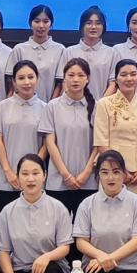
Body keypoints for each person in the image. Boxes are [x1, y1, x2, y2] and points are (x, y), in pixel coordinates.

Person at [73, 150, 137, 273]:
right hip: (96, 263)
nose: (110, 177)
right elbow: (81, 242)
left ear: (124, 174)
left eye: (116, 172)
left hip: (131, 265)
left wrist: (109, 258)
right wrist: (101, 257)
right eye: (105, 172)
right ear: (98, 175)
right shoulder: (87, 204)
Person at [0, 153, 73, 273]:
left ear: (44, 175)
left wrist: (46, 257)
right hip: (20, 269)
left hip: (51, 267)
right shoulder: (8, 211)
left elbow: (64, 247)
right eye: (25, 174)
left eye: (35, 173)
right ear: (18, 177)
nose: (30, 179)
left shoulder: (58, 208)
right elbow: (3, 252)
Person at [42, 58, 99, 214]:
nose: (75, 79)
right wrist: (65, 175)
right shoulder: (52, 106)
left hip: (88, 181)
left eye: (81, 75)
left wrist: (86, 174)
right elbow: (50, 143)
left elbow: (98, 144)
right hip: (58, 181)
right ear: (64, 78)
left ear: (88, 79)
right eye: (71, 75)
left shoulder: (96, 107)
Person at [93, 59, 137, 200]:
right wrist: (120, 171)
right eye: (123, 75)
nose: (129, 79)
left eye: (133, 74)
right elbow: (101, 141)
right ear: (116, 79)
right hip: (112, 172)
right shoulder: (104, 104)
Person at [0, 61, 48, 209]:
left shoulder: (46, 108)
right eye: (21, 78)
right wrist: (8, 171)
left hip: (33, 179)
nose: (27, 82)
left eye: (31, 77)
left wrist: (32, 171)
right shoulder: (2, 106)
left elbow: (46, 144)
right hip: (5, 178)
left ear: (37, 78)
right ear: (14, 82)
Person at [11, 5, 66, 103]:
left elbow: (60, 83)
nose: (41, 26)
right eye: (36, 21)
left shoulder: (60, 49)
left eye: (45, 21)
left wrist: (50, 106)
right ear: (30, 23)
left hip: (50, 106)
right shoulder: (19, 49)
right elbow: (13, 82)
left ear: (51, 24)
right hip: (22, 105)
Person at [64, 6, 115, 101]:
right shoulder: (69, 52)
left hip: (101, 106)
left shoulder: (112, 53)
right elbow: (64, 82)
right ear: (82, 26)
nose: (93, 27)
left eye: (98, 23)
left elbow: (113, 83)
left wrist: (100, 105)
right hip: (73, 105)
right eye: (89, 23)